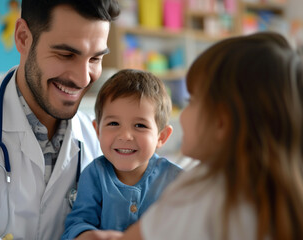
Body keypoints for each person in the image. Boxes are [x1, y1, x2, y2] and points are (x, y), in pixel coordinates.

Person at [0, 0, 119, 239]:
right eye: (66, 54)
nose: (82, 77)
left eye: (95, 59)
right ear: (23, 37)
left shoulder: (99, 140)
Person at [115, 32, 303, 240]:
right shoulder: (288, 196)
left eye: (192, 101)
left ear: (221, 122)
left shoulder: (200, 192)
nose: (184, 113)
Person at [61, 69, 182, 240]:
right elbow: (77, 225)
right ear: (97, 131)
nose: (125, 136)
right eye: (113, 123)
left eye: (140, 125)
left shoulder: (176, 181)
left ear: (161, 137)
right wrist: (89, 235)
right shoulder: (94, 175)